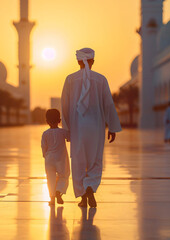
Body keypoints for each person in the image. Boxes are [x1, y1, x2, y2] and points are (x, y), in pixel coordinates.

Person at [61, 48, 121, 208]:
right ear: (92, 61)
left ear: (78, 61)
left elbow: (64, 106)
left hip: (77, 128)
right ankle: (90, 187)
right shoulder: (100, 79)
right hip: (96, 127)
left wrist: (66, 129)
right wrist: (113, 127)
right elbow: (108, 104)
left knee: (79, 162)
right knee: (95, 160)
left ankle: (83, 196)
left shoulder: (70, 79)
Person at [41, 109, 70, 206]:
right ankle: (59, 191)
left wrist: (45, 155)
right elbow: (70, 138)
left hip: (49, 159)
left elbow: (43, 147)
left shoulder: (45, 134)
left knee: (50, 178)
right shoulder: (63, 132)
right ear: (59, 120)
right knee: (63, 176)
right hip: (61, 159)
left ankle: (52, 198)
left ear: (47, 122)